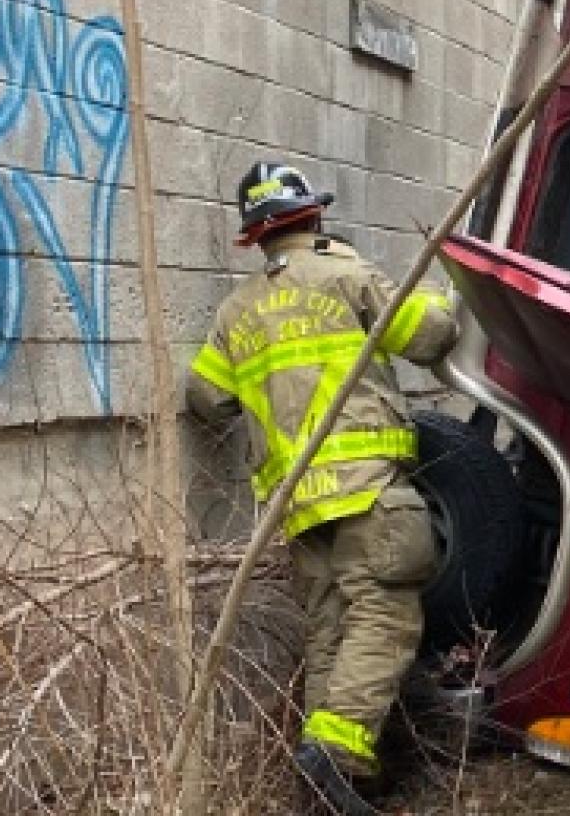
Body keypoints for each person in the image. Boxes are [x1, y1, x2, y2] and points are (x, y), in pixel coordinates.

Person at [186, 162, 458, 815]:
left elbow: (204, 398)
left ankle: (328, 791)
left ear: (255, 239)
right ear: (313, 217)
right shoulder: (346, 272)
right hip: (367, 489)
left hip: (299, 504)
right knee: (385, 611)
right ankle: (336, 757)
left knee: (329, 631)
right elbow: (427, 335)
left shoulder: (237, 311)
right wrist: (458, 298)